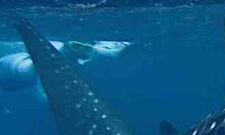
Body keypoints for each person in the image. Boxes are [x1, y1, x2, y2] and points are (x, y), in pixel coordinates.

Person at [0, 39, 131, 94]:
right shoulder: (50, 59)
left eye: (86, 48)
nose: (81, 51)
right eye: (76, 46)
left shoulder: (85, 54)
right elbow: (42, 95)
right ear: (66, 46)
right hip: (10, 71)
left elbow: (103, 51)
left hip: (18, 72)